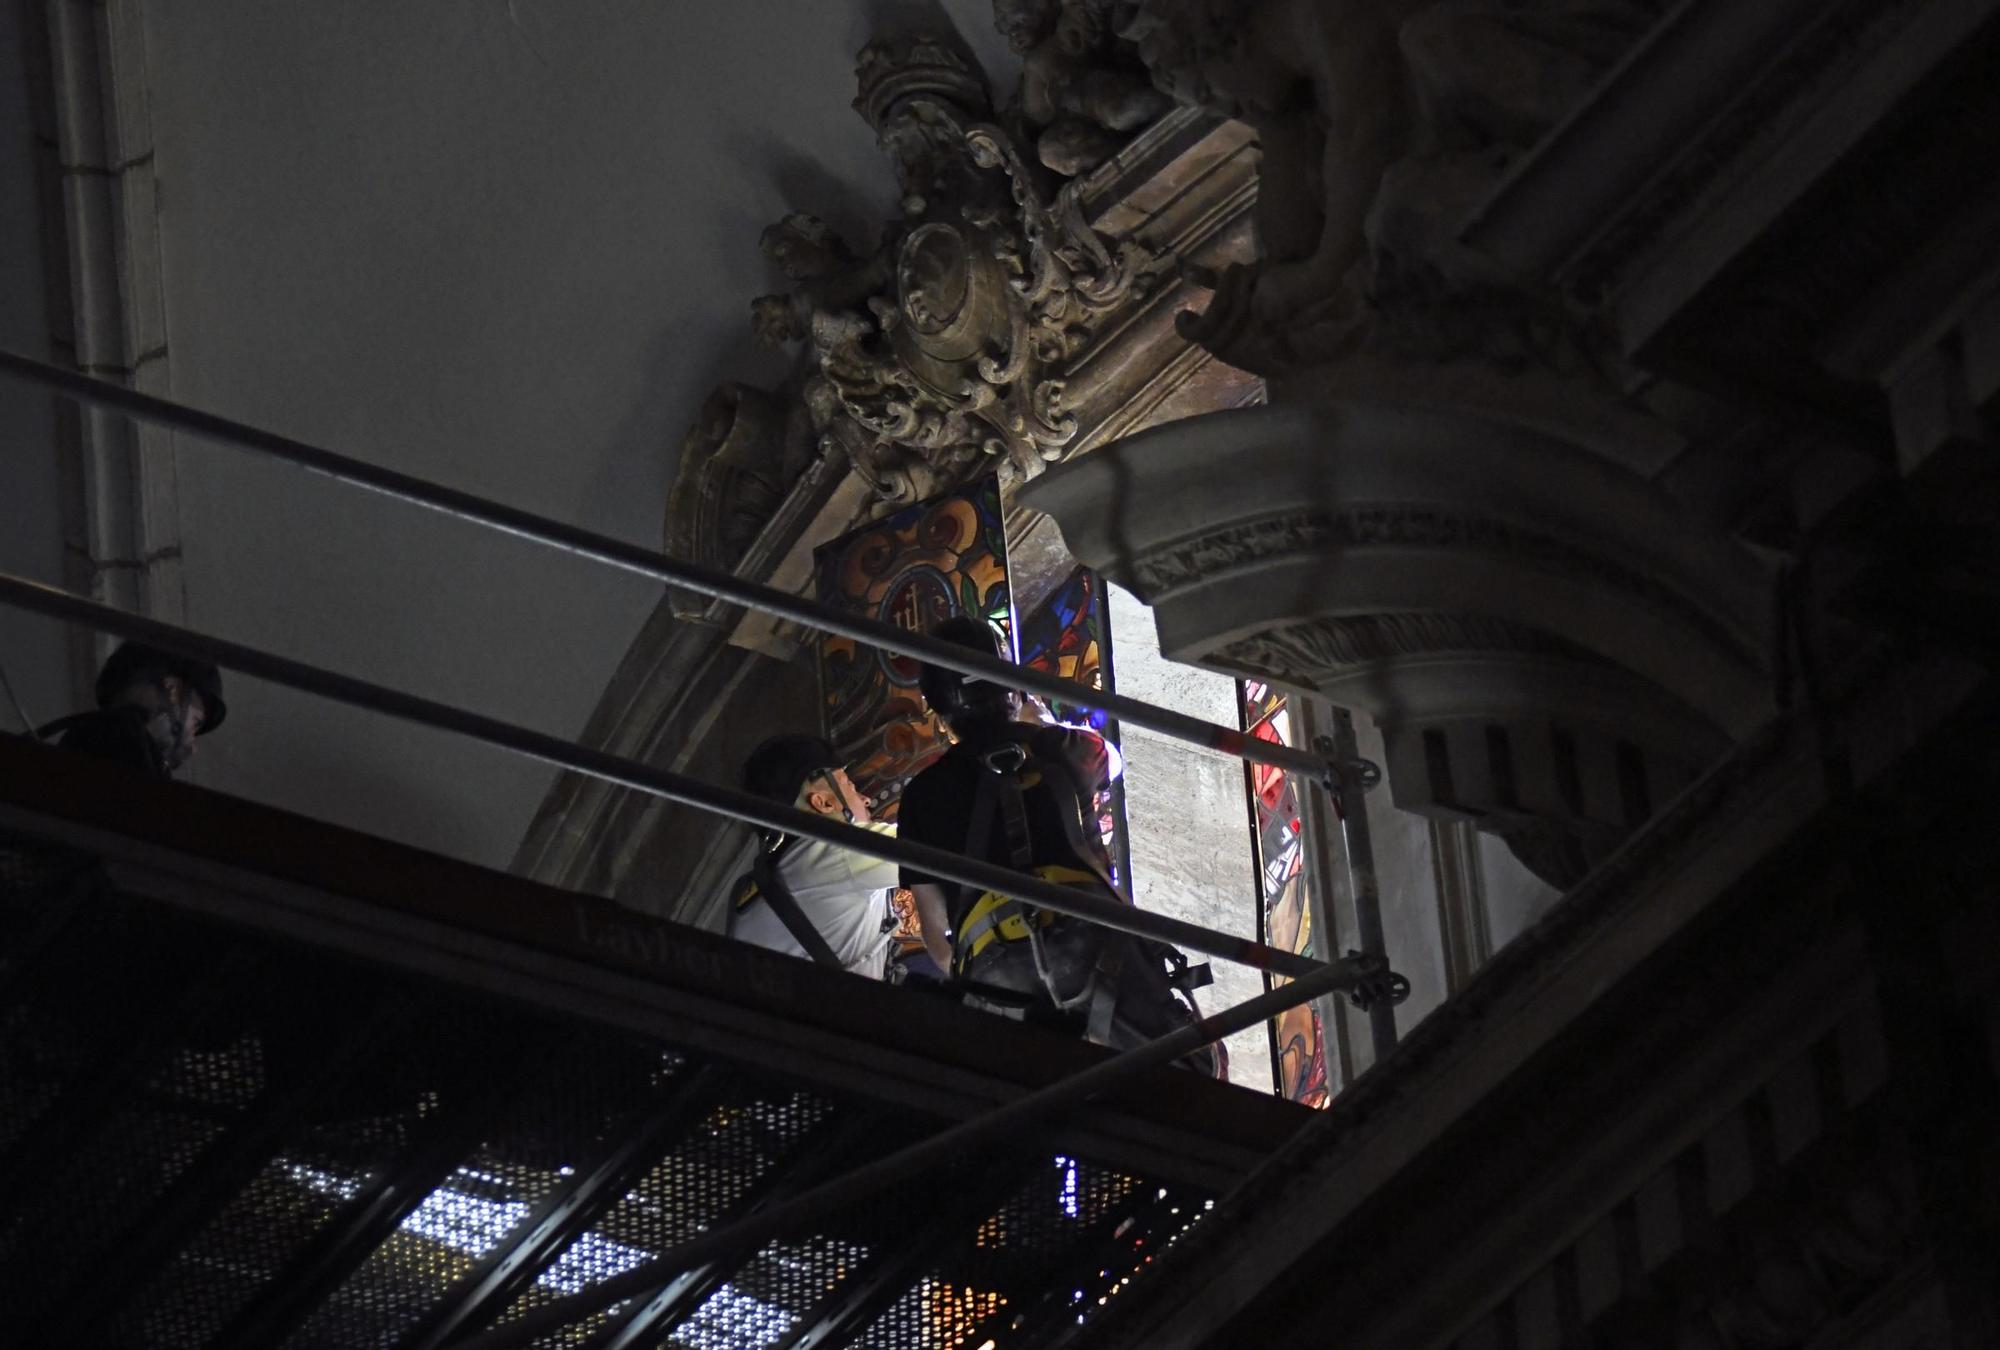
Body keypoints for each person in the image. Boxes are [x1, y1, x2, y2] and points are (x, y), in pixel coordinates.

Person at [896, 615, 1220, 1075]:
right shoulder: (1063, 749)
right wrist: (1042, 723)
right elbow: (1113, 760)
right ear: (1013, 686)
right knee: (1178, 1079)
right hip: (1098, 943)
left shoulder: (922, 794)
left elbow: (935, 932)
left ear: (939, 707)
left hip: (997, 973)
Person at [730, 734, 951, 980]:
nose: (865, 799)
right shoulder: (834, 851)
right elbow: (940, 845)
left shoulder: (766, 881)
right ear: (823, 802)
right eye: (850, 786)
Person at [37, 641, 227, 778]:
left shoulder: (85, 730)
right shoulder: (125, 733)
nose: (191, 745)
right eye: (195, 722)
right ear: (172, 689)